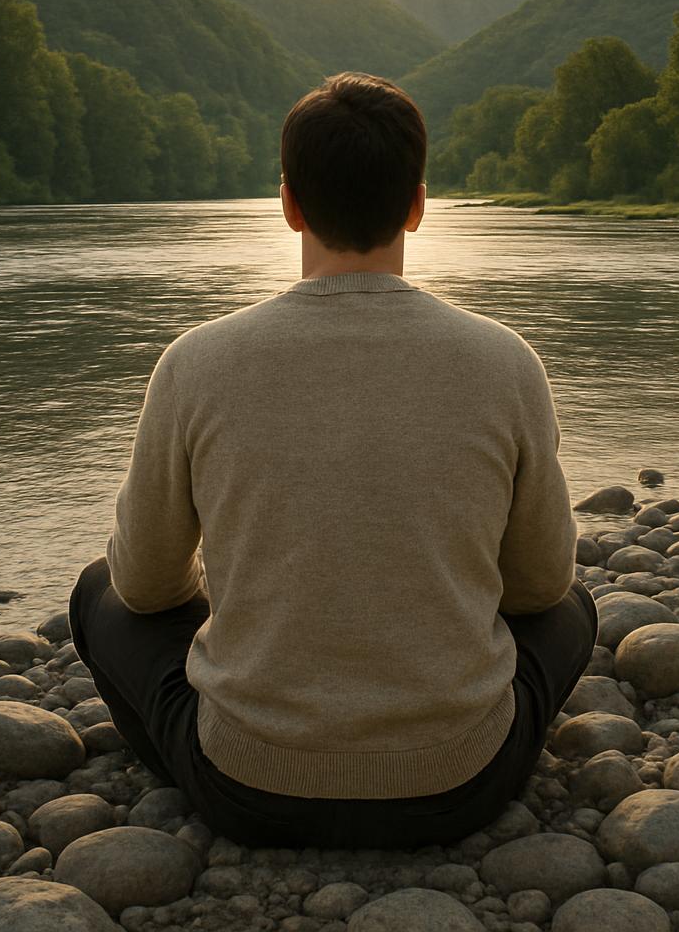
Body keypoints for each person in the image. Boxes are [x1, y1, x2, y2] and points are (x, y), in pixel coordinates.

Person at [69, 71, 596, 850]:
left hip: (246, 789)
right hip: (458, 787)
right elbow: (539, 586)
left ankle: (179, 758)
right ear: (418, 204)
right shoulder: (505, 361)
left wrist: (229, 604)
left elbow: (145, 587)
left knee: (97, 593)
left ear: (289, 203)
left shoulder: (195, 362)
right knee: (574, 609)